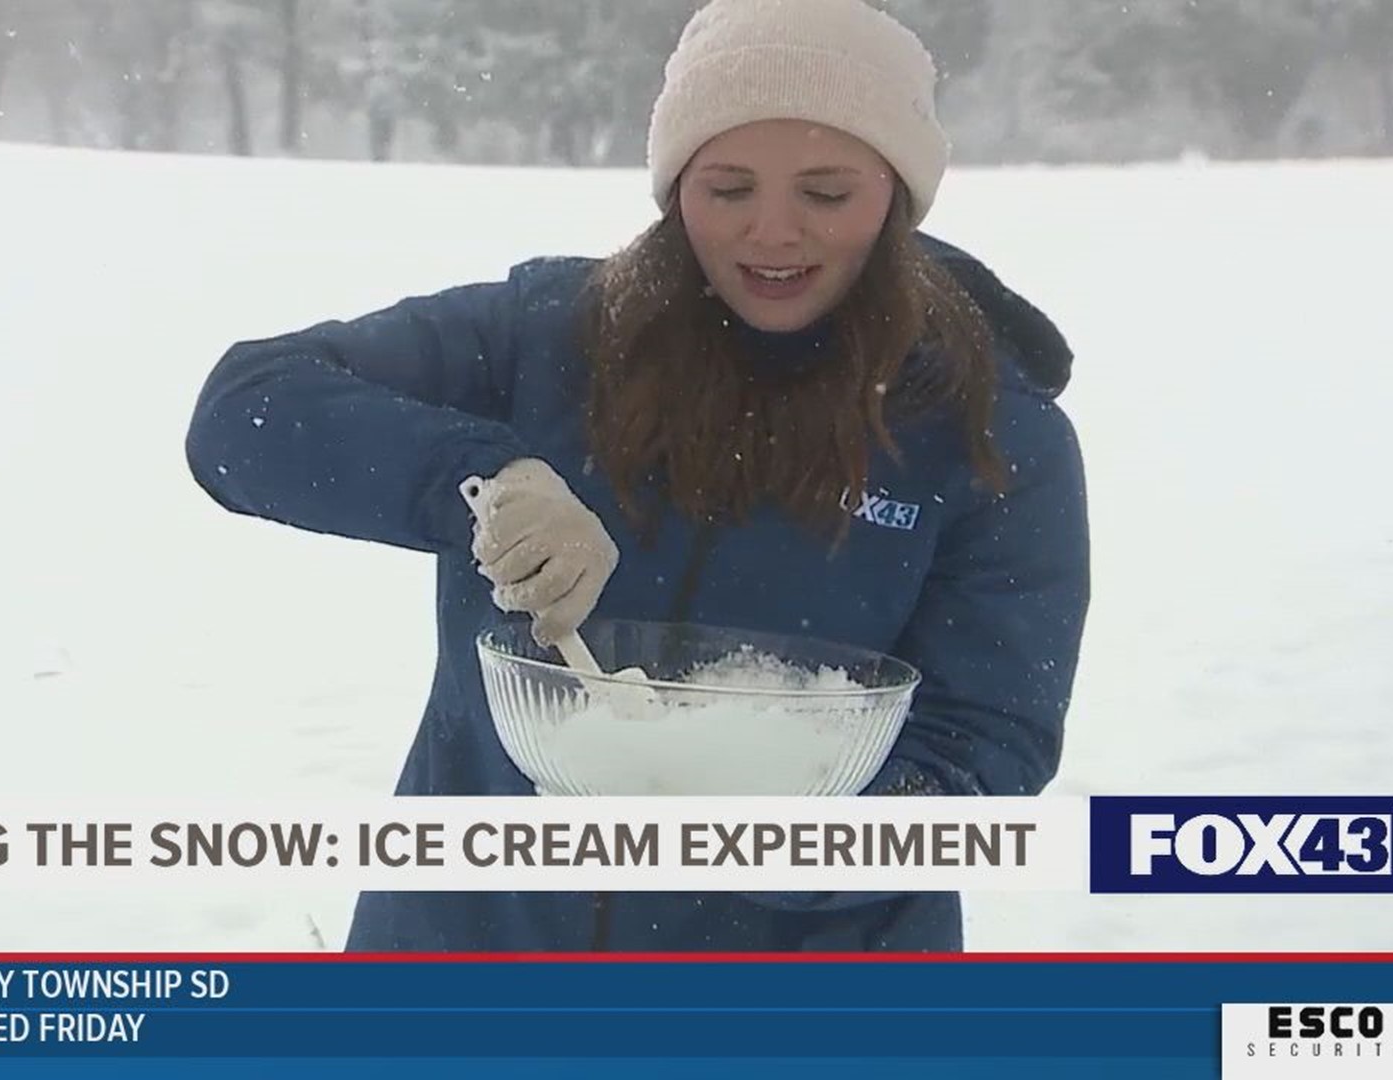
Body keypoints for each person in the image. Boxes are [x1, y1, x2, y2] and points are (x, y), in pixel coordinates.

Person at [185, 0, 1090, 952]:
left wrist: (772, 847)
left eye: (826, 194)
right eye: (727, 188)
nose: (772, 233)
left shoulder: (991, 432)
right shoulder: (549, 336)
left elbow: (985, 742)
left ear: (896, 197)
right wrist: (483, 481)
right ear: (672, 189)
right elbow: (245, 410)